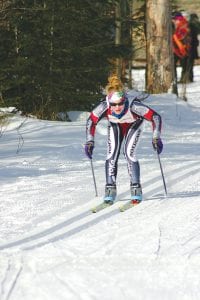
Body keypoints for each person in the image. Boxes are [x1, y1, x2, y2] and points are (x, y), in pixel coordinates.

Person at [84, 75, 163, 204]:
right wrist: (90, 141)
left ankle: (136, 188)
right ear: (109, 102)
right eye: (113, 105)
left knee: (129, 153)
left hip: (134, 124)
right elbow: (91, 122)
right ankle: (110, 188)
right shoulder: (104, 106)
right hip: (115, 126)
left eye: (120, 103)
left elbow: (155, 117)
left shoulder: (134, 105)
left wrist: (156, 137)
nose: (117, 107)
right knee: (112, 154)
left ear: (124, 99)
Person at [172, 12, 191, 83]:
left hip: (183, 48)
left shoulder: (183, 25)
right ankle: (179, 79)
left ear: (178, 19)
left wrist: (174, 37)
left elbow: (182, 36)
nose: (174, 21)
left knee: (184, 65)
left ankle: (184, 79)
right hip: (178, 48)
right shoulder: (181, 24)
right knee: (178, 64)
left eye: (175, 20)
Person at [188, 13, 200, 82]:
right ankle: (190, 77)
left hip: (190, 45)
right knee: (191, 62)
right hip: (194, 45)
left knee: (189, 62)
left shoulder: (189, 24)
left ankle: (189, 77)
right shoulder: (197, 23)